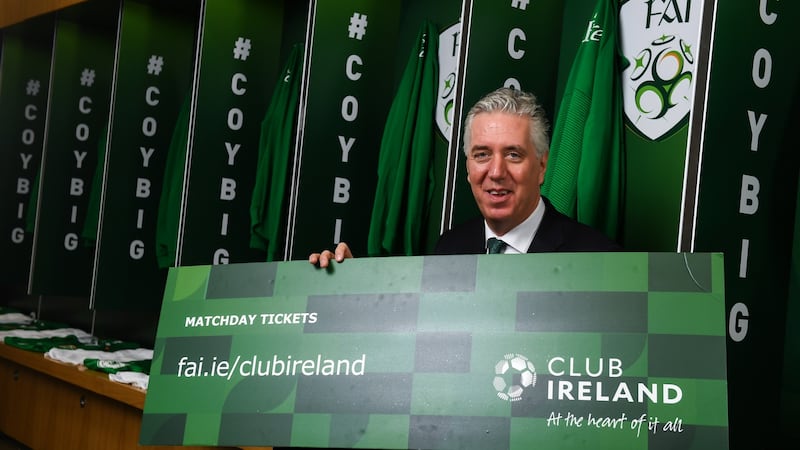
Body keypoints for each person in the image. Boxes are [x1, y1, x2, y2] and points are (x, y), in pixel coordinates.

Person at [310, 87, 621, 267]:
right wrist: (349, 286)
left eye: (513, 154)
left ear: (541, 167)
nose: (496, 172)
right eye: (482, 155)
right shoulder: (448, 249)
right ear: (468, 167)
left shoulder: (596, 259)